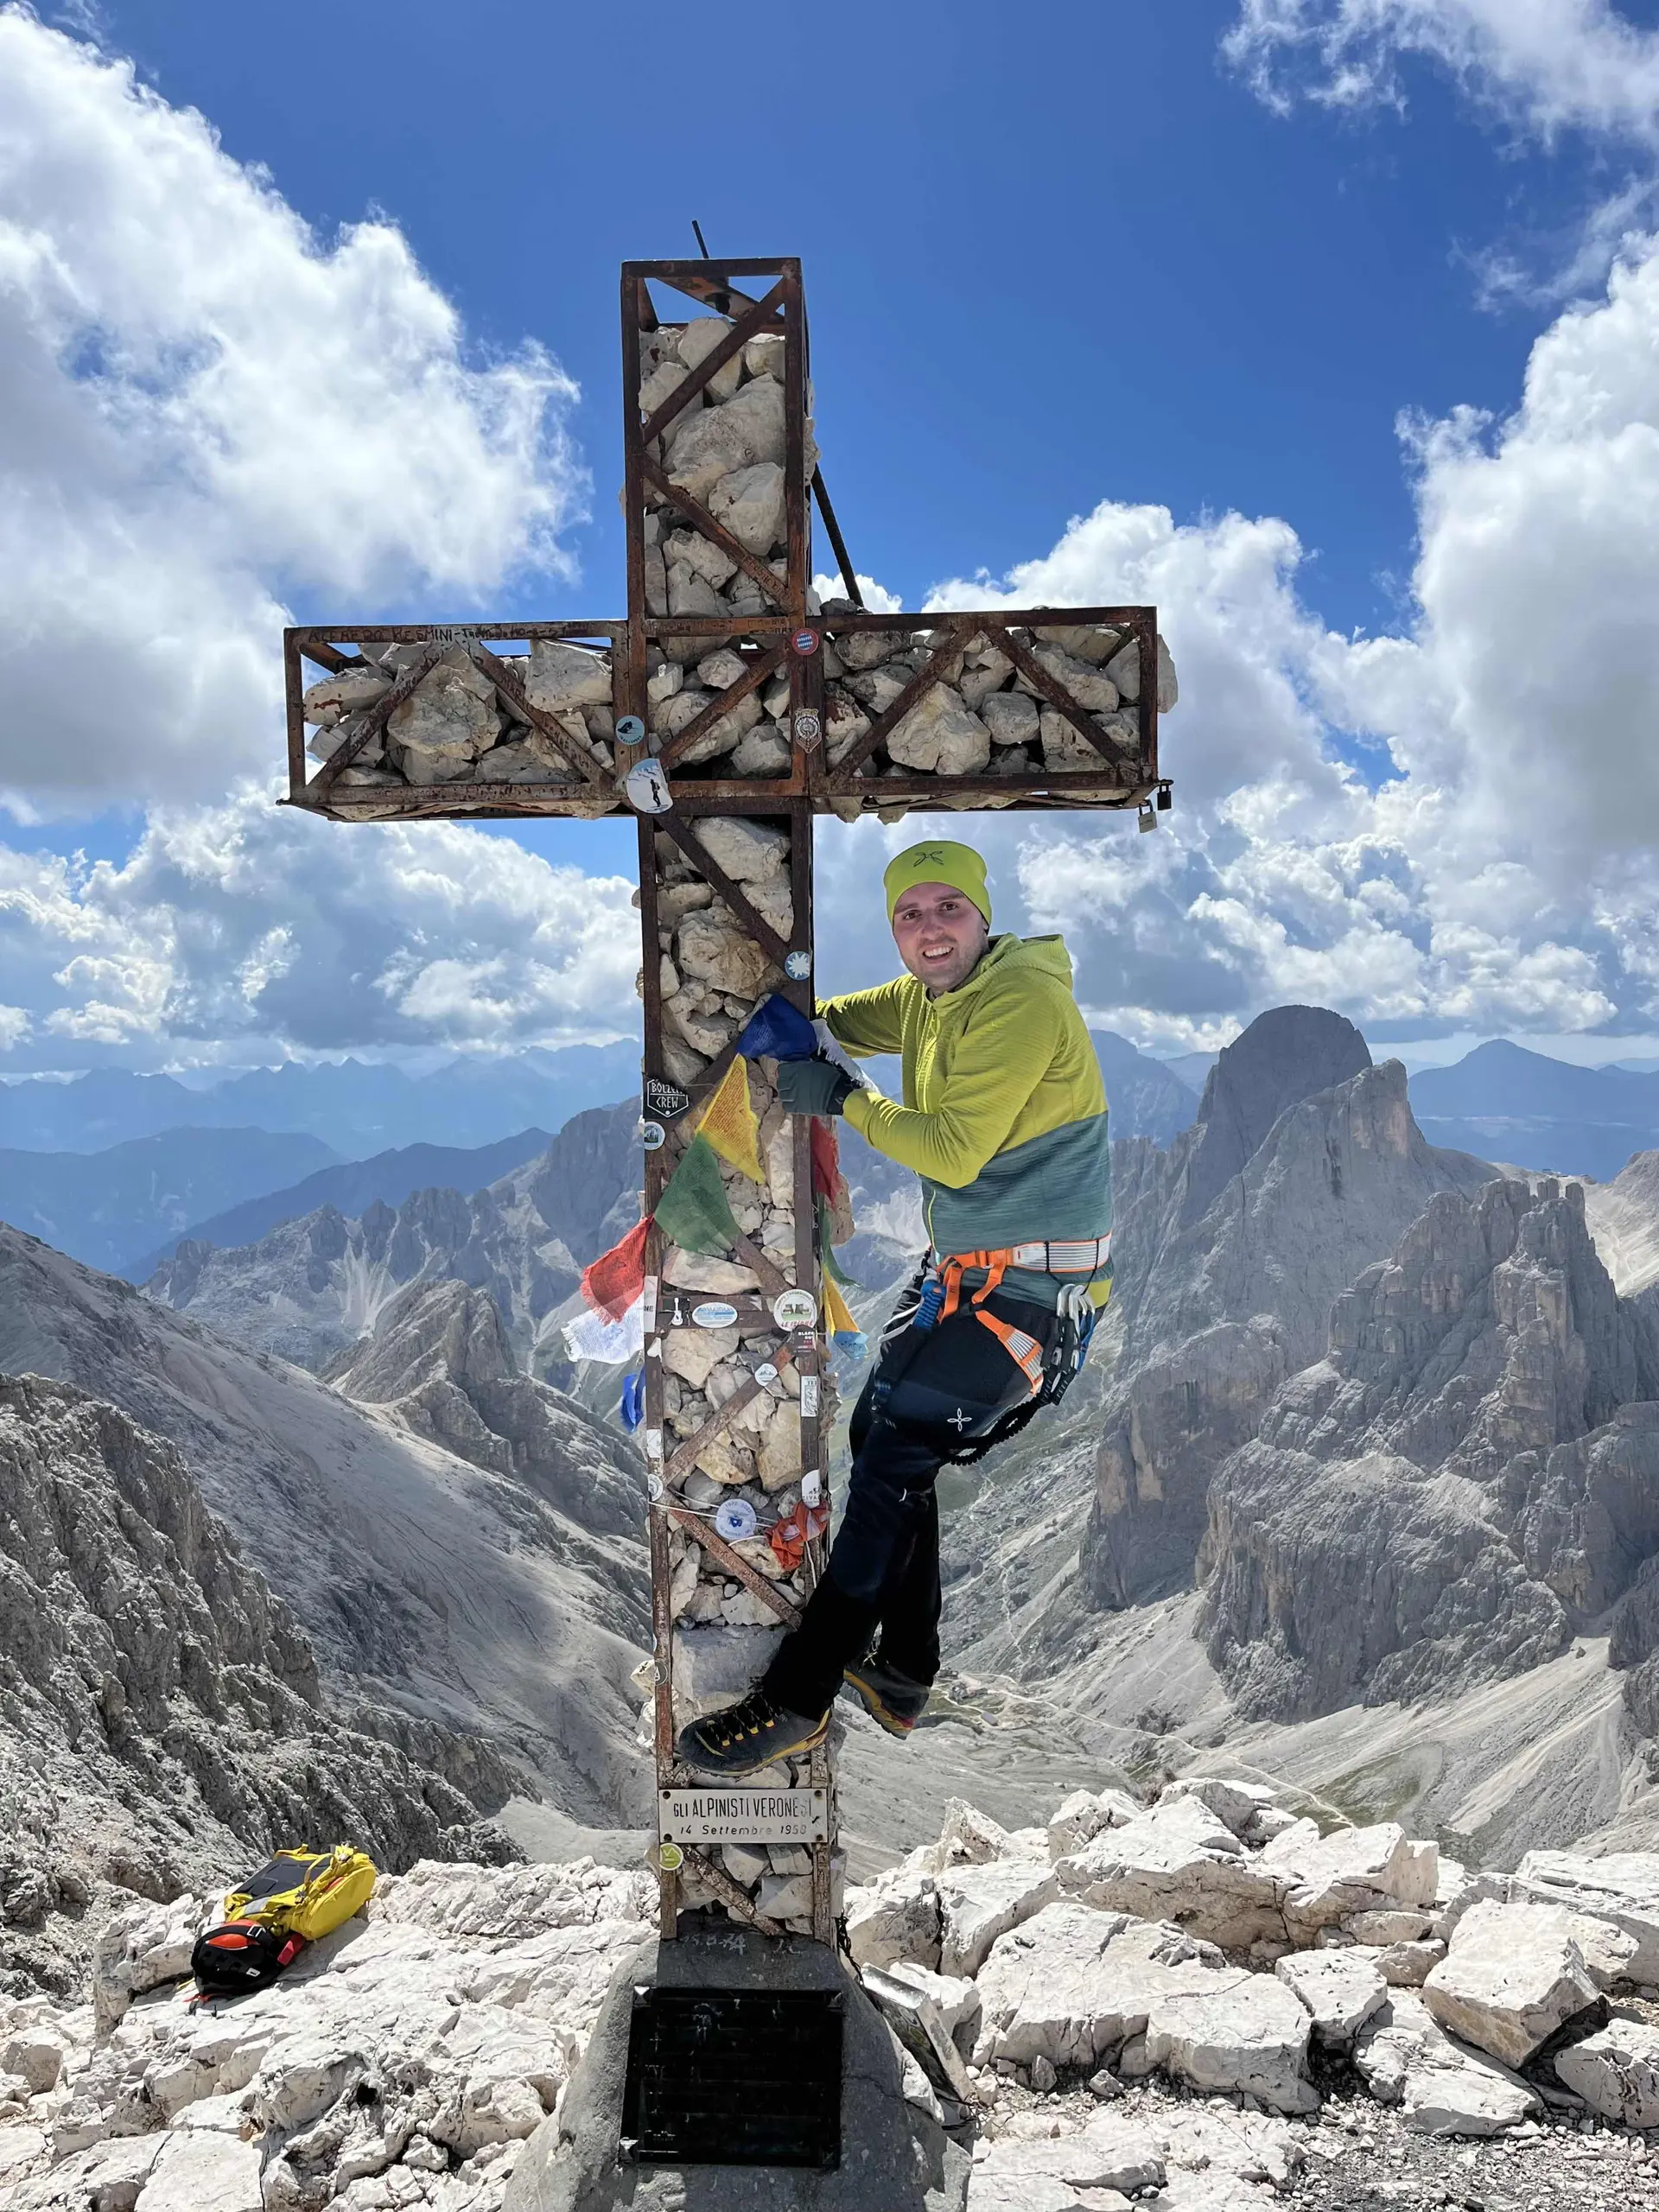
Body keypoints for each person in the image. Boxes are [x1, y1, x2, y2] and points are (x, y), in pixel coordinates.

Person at [677, 837, 1112, 1776]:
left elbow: (951, 1150)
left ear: (984, 915)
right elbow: (836, 1017)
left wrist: (843, 1095)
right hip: (972, 1272)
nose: (929, 929)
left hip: (1034, 1291)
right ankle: (906, 1668)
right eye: (909, 915)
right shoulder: (925, 998)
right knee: (879, 1434)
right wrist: (771, 1021)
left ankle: (798, 1697)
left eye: (948, 908)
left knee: (891, 1464)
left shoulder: (1022, 999)